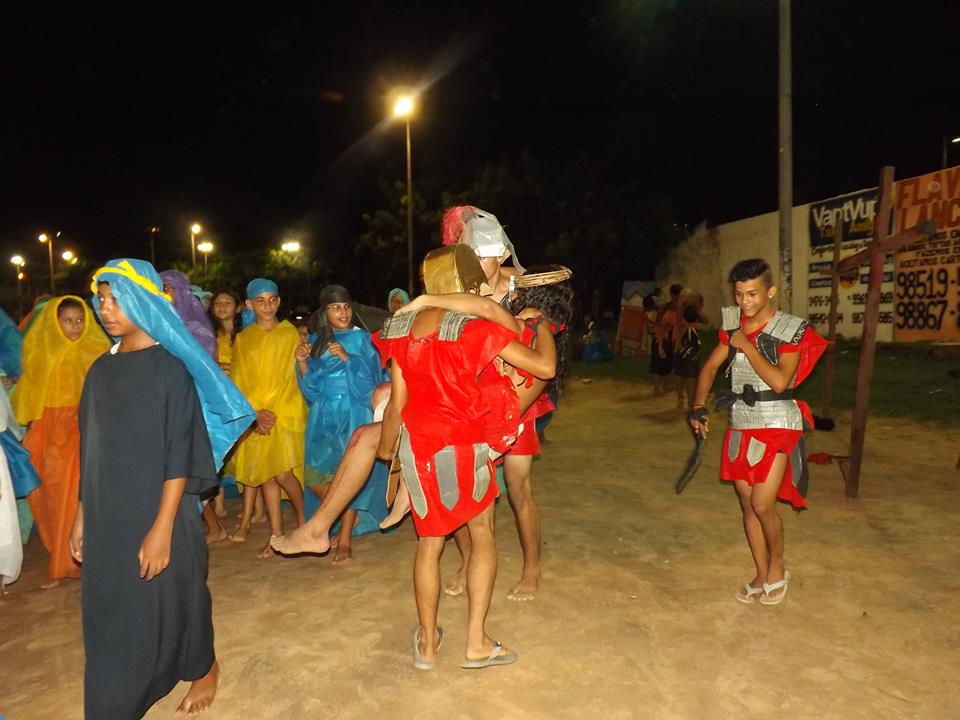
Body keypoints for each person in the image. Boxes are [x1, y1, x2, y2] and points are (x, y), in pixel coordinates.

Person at [71, 258, 254, 718]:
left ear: (144, 301)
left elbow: (179, 452)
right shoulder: (99, 371)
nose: (106, 309)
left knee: (179, 592)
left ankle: (203, 666)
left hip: (161, 506)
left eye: (117, 299)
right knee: (114, 603)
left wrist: (163, 527)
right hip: (108, 511)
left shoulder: (170, 370)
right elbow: (90, 449)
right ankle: (120, 695)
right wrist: (81, 515)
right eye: (102, 299)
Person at [372, 250, 557, 671]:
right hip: (464, 447)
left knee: (429, 544)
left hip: (419, 449)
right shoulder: (475, 329)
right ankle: (476, 642)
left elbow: (398, 402)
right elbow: (544, 368)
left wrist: (386, 452)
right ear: (470, 283)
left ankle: (427, 644)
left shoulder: (400, 328)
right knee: (482, 533)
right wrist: (543, 327)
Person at [689, 258, 827, 606]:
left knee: (763, 503)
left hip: (778, 422)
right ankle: (761, 571)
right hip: (742, 421)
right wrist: (697, 405)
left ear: (770, 291)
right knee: (747, 502)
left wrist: (747, 345)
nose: (744, 301)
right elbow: (710, 367)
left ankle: (778, 566)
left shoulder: (790, 329)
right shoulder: (733, 325)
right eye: (739, 294)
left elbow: (780, 382)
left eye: (752, 294)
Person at [442, 207, 554, 602]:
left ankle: (532, 568)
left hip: (519, 395)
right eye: (469, 255)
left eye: (483, 255)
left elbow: (544, 356)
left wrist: (515, 410)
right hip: (472, 400)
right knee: (464, 488)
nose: (475, 263)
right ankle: (468, 560)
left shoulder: (523, 289)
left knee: (518, 488)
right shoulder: (459, 287)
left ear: (502, 254)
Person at [10, 297, 110, 588]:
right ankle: (61, 555)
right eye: (68, 321)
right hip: (50, 433)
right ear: (55, 323)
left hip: (86, 430)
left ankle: (86, 561)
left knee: (82, 495)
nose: (75, 326)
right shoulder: (42, 351)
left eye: (80, 320)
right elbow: (29, 393)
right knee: (51, 498)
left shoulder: (97, 351)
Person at [296, 284, 387, 564]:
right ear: (325, 312)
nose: (343, 313)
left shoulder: (362, 339)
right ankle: (348, 515)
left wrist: (349, 359)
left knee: (349, 473)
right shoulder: (316, 340)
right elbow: (311, 391)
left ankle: (345, 537)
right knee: (314, 476)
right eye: (336, 307)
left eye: (346, 306)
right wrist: (302, 363)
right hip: (323, 414)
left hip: (353, 410)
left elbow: (373, 381)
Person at [228, 278, 307, 557]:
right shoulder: (243, 340)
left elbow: (292, 378)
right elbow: (239, 380)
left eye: (272, 300)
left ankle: (305, 525)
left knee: (283, 473)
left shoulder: (289, 333)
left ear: (279, 301)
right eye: (260, 301)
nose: (267, 306)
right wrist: (255, 414)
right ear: (249, 304)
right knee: (266, 477)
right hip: (257, 416)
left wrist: (272, 412)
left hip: (284, 413)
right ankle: (276, 536)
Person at [159, 269, 218, 360]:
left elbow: (202, 358)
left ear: (180, 292)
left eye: (165, 288)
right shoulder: (155, 316)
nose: (160, 292)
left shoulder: (196, 325)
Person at [650, 283, 682, 398]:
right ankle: (656, 387)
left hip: (671, 338)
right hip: (661, 337)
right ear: (672, 295)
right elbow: (659, 322)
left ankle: (662, 386)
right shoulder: (665, 307)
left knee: (668, 363)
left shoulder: (680, 307)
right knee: (657, 363)